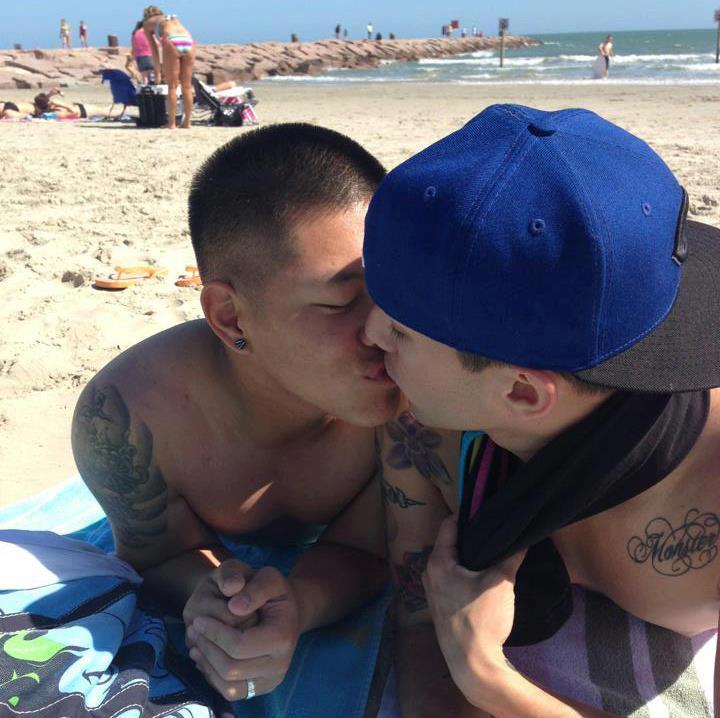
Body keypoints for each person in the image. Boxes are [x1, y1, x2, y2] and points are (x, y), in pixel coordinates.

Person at [363, 104, 720, 716]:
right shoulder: (421, 424)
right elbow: (416, 622)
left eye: (403, 330)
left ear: (523, 393)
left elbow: (453, 652)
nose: (369, 335)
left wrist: (488, 678)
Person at [72, 123, 399, 704]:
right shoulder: (129, 417)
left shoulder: (417, 386)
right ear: (229, 316)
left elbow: (370, 548)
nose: (384, 329)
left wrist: (299, 606)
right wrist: (216, 597)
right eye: (340, 303)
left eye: (395, 290)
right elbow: (157, 551)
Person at [142, 5, 195, 129]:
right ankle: (187, 122)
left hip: (172, 40)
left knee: (172, 86)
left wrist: (157, 72)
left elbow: (154, 50)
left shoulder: (147, 23)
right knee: (187, 86)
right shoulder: (171, 18)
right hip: (188, 40)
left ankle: (171, 123)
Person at [131, 19, 157, 84]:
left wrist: (134, 56)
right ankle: (154, 91)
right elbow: (157, 43)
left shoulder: (134, 34)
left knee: (144, 77)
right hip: (150, 56)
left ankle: (145, 90)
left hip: (139, 57)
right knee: (153, 76)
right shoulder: (148, 33)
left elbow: (133, 47)